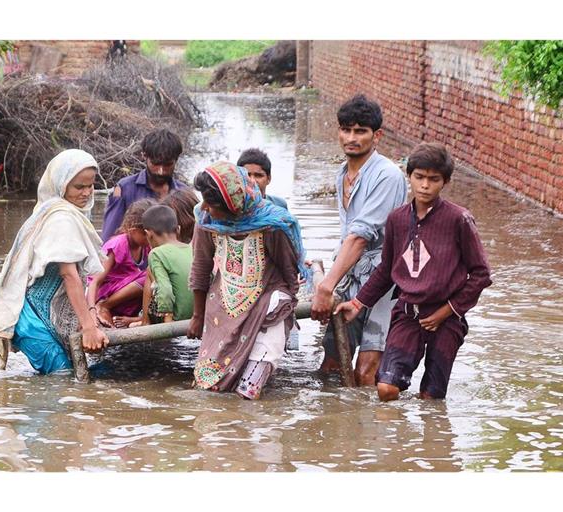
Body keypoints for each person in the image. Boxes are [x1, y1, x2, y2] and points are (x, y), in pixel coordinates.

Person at [335, 143, 492, 401]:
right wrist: (358, 303)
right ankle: (397, 440)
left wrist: (446, 311)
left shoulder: (459, 219)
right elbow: (387, 270)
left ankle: (430, 442)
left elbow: (480, 274)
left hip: (447, 316)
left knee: (432, 398)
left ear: (445, 182)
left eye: (434, 179)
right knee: (386, 388)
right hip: (408, 313)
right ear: (409, 177)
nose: (425, 185)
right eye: (419, 177)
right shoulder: (397, 219)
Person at [186, 161, 309, 400]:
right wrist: (197, 316)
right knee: (210, 387)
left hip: (267, 305)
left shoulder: (273, 225)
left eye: (212, 204)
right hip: (223, 306)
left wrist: (285, 312)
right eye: (205, 201)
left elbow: (288, 274)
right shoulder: (206, 222)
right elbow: (200, 269)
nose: (206, 208)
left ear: (232, 205)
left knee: (249, 391)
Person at [310, 94, 408, 386]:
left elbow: (360, 237)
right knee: (330, 363)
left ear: (376, 136)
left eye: (360, 131)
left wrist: (326, 285)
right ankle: (338, 426)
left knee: (367, 370)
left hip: (384, 279)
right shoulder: (342, 173)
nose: (351, 138)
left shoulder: (387, 175)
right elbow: (347, 237)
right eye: (346, 129)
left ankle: (369, 428)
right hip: (350, 275)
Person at [0, 149, 109, 374]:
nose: (86, 193)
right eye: (79, 187)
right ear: (61, 185)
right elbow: (69, 274)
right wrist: (89, 327)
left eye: (91, 185)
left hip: (44, 319)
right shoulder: (61, 218)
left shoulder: (67, 213)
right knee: (61, 382)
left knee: (73, 380)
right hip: (34, 323)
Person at [101, 128, 187, 240]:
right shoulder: (125, 188)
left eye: (167, 165)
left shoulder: (183, 193)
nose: (160, 171)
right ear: (144, 156)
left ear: (176, 160)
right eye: (155, 164)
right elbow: (110, 237)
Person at [88, 198, 156, 328]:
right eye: (145, 234)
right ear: (132, 229)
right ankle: (104, 306)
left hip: (123, 294)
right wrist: (90, 310)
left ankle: (138, 318)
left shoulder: (145, 245)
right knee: (148, 274)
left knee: (156, 277)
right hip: (105, 292)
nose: (149, 238)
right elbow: (95, 280)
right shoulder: (118, 244)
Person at [130, 204, 194, 327]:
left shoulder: (156, 254)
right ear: (178, 229)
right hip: (196, 315)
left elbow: (165, 290)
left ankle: (145, 322)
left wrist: (167, 324)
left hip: (175, 318)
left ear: (148, 234)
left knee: (149, 271)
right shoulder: (192, 249)